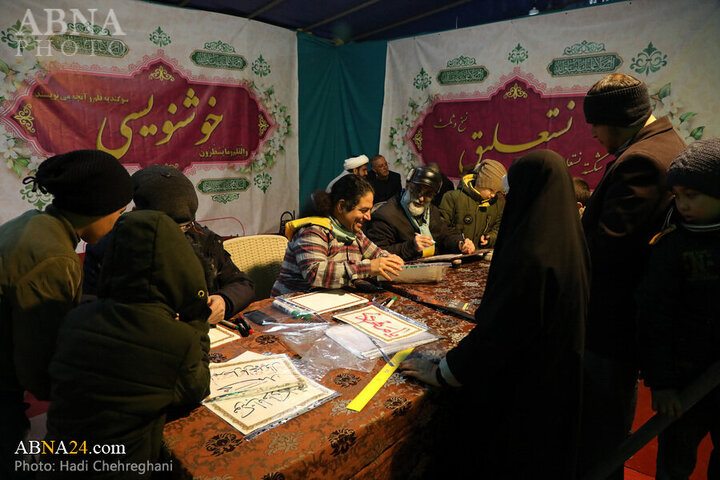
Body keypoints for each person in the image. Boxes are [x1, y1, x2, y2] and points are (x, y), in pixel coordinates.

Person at [400, 150, 590, 478]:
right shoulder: (571, 242)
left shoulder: (532, 254)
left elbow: (500, 335)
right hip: (557, 385)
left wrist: (443, 371)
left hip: (522, 397)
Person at [42, 210, 211, 479]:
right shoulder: (178, 340)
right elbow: (197, 389)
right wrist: (197, 319)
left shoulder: (75, 320)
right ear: (181, 268)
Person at [578, 73, 686, 478]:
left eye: (595, 124)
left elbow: (610, 253)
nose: (591, 133)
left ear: (618, 119)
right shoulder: (660, 144)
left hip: (610, 329)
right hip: (619, 324)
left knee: (600, 437)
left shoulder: (641, 160)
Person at [0, 150, 132, 479]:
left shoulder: (33, 223)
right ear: (95, 208)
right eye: (117, 213)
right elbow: (40, 372)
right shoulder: (54, 259)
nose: (117, 223)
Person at [637, 138, 720, 480]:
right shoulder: (670, 246)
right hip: (685, 382)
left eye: (693, 195)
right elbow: (654, 317)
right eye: (678, 195)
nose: (682, 204)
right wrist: (662, 383)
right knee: (675, 461)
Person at [83, 165, 255, 324]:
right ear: (136, 215)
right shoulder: (107, 247)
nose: (174, 239)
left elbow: (241, 283)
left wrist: (224, 301)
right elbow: (89, 305)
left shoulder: (202, 239)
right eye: (165, 228)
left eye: (183, 228)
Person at [272, 175, 403, 296]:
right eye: (363, 210)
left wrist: (390, 261)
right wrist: (368, 267)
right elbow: (314, 273)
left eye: (370, 210)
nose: (369, 217)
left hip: (326, 300)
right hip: (293, 303)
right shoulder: (313, 230)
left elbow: (376, 254)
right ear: (341, 206)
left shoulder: (353, 233)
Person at [365, 165, 474, 261]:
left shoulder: (432, 211)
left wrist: (459, 243)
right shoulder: (385, 216)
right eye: (417, 190)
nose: (421, 198)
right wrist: (411, 246)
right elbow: (376, 253)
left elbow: (444, 236)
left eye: (428, 194)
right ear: (407, 186)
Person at [439, 159, 507, 247]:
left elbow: (499, 227)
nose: (493, 195)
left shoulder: (498, 203)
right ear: (481, 182)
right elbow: (442, 229)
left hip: (481, 256)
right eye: (491, 190)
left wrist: (490, 237)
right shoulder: (452, 197)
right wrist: (459, 243)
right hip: (455, 255)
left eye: (497, 191)